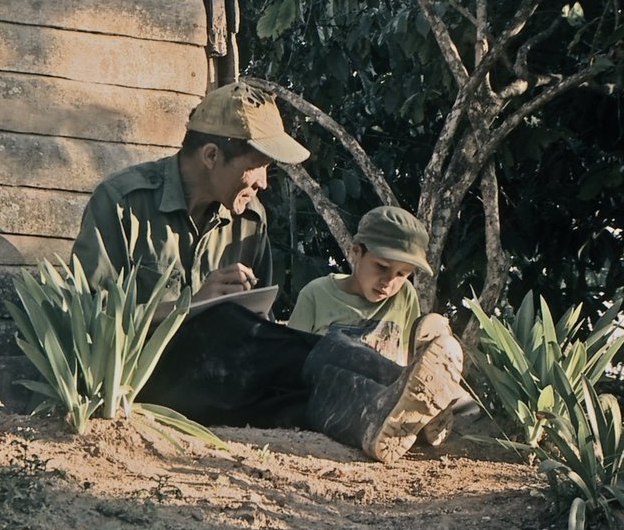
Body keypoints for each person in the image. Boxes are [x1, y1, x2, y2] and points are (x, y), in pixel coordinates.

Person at [70, 81, 463, 463]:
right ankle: (399, 388)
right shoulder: (123, 202)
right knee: (225, 322)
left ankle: (384, 412)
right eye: (257, 167)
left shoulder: (250, 219)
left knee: (289, 390)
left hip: (225, 379)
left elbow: (264, 331)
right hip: (144, 378)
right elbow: (86, 321)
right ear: (211, 155)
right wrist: (189, 305)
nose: (263, 182)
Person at [289, 206, 468, 449]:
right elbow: (294, 364)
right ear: (356, 252)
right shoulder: (316, 294)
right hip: (334, 399)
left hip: (388, 393)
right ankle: (406, 416)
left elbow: (404, 360)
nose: (389, 282)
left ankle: (421, 410)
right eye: (382, 267)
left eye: (402, 274)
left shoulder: (404, 295)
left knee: (425, 382)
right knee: (332, 349)